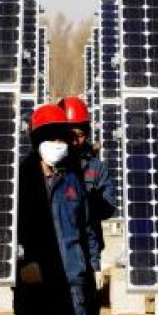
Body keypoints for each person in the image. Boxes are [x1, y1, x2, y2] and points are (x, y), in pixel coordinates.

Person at [13, 103, 101, 315]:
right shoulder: (20, 179)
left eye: (61, 136)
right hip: (34, 274)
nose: (58, 142)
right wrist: (20, 263)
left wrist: (93, 265)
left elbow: (88, 226)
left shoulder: (74, 180)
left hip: (73, 273)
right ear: (37, 140)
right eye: (50, 136)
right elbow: (8, 228)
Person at [58, 96, 118, 289]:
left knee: (87, 311)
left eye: (81, 134)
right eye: (70, 134)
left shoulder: (96, 168)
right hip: (55, 250)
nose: (75, 141)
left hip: (88, 252)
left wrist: (89, 201)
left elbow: (108, 207)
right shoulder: (47, 166)